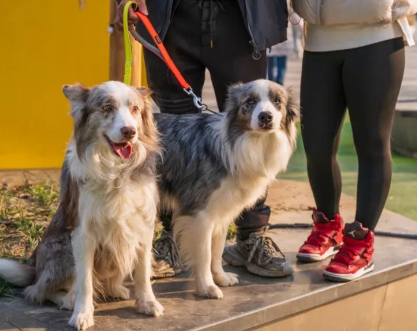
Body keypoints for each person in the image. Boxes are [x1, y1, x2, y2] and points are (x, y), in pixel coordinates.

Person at [115, 0, 293, 279]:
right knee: (171, 136)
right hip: (169, 17)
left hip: (241, 18)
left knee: (256, 117)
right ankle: (169, 238)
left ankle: (251, 238)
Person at [293, 0, 417, 281]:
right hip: (318, 41)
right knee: (316, 145)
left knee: (372, 143)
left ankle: (360, 241)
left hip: (377, 37)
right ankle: (328, 226)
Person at [267, 1, 303, 85]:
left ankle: (271, 83)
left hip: (271, 37)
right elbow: (295, 18)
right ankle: (279, 84)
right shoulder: (286, 2)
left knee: (271, 63)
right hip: (283, 36)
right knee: (281, 64)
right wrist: (302, 31)